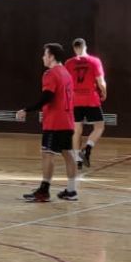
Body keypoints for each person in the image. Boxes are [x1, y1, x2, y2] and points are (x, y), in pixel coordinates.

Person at [15, 43, 78, 202]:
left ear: (51, 57)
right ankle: (71, 190)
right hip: (68, 121)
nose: (43, 57)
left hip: (54, 123)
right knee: (68, 154)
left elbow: (47, 97)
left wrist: (26, 110)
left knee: (47, 154)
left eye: (45, 55)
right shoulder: (66, 73)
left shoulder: (50, 74)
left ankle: (44, 191)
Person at [66, 38, 107, 168]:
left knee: (77, 130)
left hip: (75, 99)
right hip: (91, 99)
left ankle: (78, 160)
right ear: (85, 47)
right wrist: (104, 92)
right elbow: (101, 82)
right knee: (99, 127)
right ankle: (87, 148)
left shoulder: (69, 63)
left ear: (74, 49)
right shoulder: (94, 61)